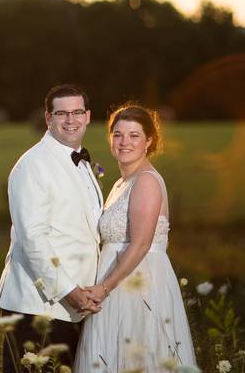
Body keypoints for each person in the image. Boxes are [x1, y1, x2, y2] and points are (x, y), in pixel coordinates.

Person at [74, 104, 197, 372]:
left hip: (138, 287)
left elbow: (141, 243)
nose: (124, 142)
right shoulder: (120, 184)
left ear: (149, 141)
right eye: (118, 134)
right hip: (114, 285)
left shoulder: (147, 181)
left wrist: (104, 288)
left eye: (134, 135)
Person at [0, 84, 104, 371]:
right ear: (48, 118)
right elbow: (33, 239)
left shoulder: (81, 162)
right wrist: (70, 291)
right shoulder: (33, 165)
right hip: (38, 307)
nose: (71, 120)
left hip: (74, 308)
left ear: (88, 116)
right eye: (62, 113)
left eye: (77, 112)